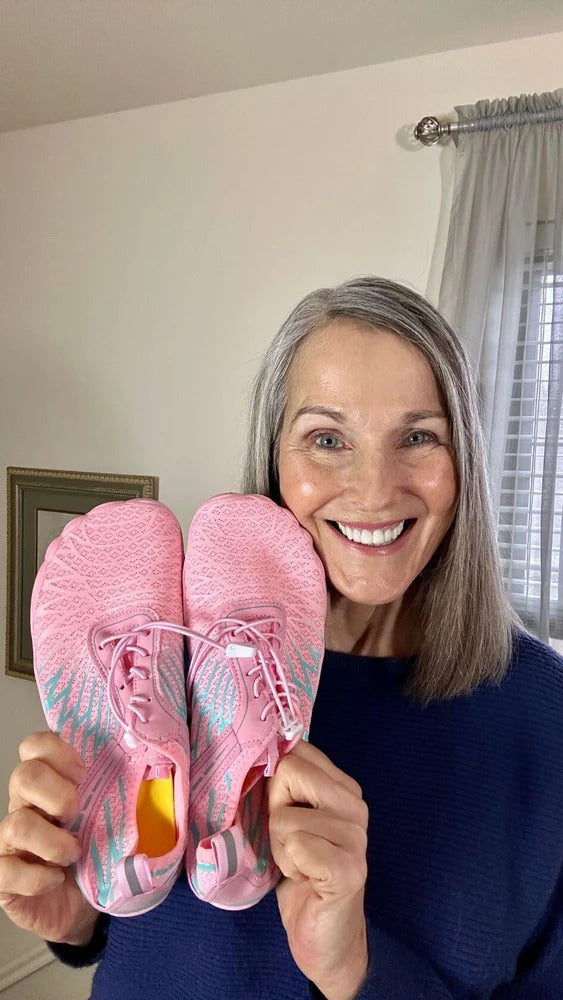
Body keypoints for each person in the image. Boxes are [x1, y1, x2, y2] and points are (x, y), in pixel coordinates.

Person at [1, 275, 563, 1000]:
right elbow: (142, 935)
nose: (372, 489)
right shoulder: (169, 643)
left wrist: (355, 970)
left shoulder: (544, 717)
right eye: (326, 439)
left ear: (466, 465)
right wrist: (78, 917)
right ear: (275, 459)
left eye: (418, 437)